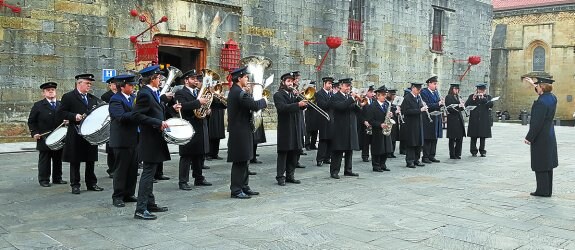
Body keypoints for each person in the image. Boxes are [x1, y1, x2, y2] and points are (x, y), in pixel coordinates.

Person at [132, 65, 181, 220]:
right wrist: (157, 122)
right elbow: (137, 115)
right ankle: (140, 209)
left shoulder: (153, 93)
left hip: (155, 138)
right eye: (159, 77)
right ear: (152, 78)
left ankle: (150, 203)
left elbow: (157, 110)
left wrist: (169, 107)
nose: (160, 80)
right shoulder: (144, 94)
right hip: (149, 139)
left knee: (151, 172)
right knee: (147, 174)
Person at [57, 74, 103, 194]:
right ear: (79, 83)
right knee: (75, 160)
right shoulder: (68, 97)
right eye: (87, 83)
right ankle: (75, 184)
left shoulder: (92, 98)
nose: (89, 86)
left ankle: (91, 183)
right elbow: (61, 112)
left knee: (90, 159)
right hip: (75, 132)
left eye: (90, 84)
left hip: (90, 133)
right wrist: (74, 116)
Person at [227, 66, 267, 199]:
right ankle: (236, 190)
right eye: (246, 77)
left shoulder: (238, 91)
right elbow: (254, 106)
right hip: (240, 131)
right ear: (239, 78)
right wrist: (264, 101)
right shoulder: (238, 92)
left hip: (243, 130)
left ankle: (244, 186)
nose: (247, 80)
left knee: (245, 160)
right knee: (240, 161)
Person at [174, 69, 212, 191]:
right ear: (186, 81)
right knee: (186, 155)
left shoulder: (198, 92)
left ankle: (199, 178)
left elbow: (204, 107)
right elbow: (182, 106)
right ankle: (183, 181)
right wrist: (198, 102)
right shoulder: (180, 93)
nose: (196, 81)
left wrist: (207, 111)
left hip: (200, 126)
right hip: (188, 126)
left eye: (197, 79)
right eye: (193, 79)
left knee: (199, 154)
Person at [27, 82, 67, 187]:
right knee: (45, 159)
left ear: (55, 92)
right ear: (43, 93)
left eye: (52, 90)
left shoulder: (60, 104)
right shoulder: (38, 105)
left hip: (58, 137)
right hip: (44, 137)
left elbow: (65, 116)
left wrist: (67, 121)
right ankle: (44, 180)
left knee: (58, 158)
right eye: (48, 90)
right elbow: (31, 121)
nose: (51, 92)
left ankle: (57, 178)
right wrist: (34, 132)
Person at [523, 77, 558, 197]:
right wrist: (534, 84)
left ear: (542, 87)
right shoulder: (552, 97)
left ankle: (542, 191)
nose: (535, 88)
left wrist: (529, 137)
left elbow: (537, 123)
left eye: (537, 86)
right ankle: (547, 189)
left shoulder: (541, 103)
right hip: (549, 134)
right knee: (547, 163)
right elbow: (542, 92)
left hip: (541, 136)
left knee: (541, 163)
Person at [108, 74, 139, 207]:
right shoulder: (115, 99)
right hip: (121, 140)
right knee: (121, 169)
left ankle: (129, 193)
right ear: (122, 87)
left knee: (133, 168)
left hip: (134, 139)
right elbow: (120, 117)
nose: (133, 87)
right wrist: (138, 114)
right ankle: (118, 196)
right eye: (130, 85)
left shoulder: (132, 97)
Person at [274, 72, 307, 186]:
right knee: (283, 153)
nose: (290, 83)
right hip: (285, 128)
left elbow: (302, 107)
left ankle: (290, 175)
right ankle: (280, 176)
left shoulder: (294, 94)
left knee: (294, 152)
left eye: (292, 81)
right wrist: (298, 104)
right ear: (283, 82)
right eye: (288, 81)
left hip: (296, 127)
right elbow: (282, 108)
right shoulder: (278, 95)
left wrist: (301, 99)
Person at [329, 78, 360, 179]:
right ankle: (334, 171)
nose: (348, 88)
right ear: (340, 86)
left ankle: (348, 170)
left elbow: (355, 110)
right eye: (346, 85)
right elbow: (341, 107)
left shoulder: (348, 97)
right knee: (338, 150)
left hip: (350, 127)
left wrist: (360, 104)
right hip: (340, 127)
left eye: (349, 86)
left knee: (349, 149)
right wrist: (351, 99)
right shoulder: (335, 97)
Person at [366, 85, 393, 172]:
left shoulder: (387, 104)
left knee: (385, 148)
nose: (384, 97)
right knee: (377, 148)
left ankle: (383, 164)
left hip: (386, 129)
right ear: (377, 95)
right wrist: (379, 124)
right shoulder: (372, 106)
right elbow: (370, 120)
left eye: (385, 95)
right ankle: (376, 165)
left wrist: (391, 116)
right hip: (377, 130)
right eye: (382, 95)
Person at [400, 83, 426, 168]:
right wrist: (419, 110)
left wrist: (424, 108)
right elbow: (406, 111)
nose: (419, 91)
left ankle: (416, 160)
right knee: (411, 143)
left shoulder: (419, 97)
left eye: (420, 90)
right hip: (411, 124)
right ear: (413, 88)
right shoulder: (407, 98)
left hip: (418, 123)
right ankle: (409, 161)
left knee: (418, 142)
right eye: (418, 89)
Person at [465, 83, 493, 157]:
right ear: (477, 90)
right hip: (474, 119)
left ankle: (482, 151)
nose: (481, 92)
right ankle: (473, 151)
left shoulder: (488, 97)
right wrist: (472, 99)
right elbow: (466, 105)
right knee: (473, 136)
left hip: (483, 119)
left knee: (483, 136)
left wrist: (484, 98)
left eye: (483, 90)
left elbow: (490, 105)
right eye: (480, 90)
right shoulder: (472, 96)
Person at [420, 76, 443, 163]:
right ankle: (425, 157)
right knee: (428, 138)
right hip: (428, 118)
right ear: (429, 83)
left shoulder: (436, 92)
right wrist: (438, 103)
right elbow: (427, 105)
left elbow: (437, 104)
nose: (436, 85)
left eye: (436, 84)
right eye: (434, 84)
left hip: (436, 117)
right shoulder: (424, 92)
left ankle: (432, 155)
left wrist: (441, 104)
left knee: (435, 137)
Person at [315, 77, 334, 167]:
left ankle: (327, 157)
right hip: (323, 119)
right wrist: (332, 98)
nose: (330, 86)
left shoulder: (331, 94)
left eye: (331, 84)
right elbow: (323, 105)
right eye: (328, 84)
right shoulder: (319, 94)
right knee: (323, 140)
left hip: (331, 119)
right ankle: (320, 159)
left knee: (330, 139)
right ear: (324, 84)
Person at [101, 76, 118, 178]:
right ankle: (111, 169)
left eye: (117, 84)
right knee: (111, 149)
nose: (115, 86)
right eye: (113, 84)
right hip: (110, 124)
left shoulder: (122, 94)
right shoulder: (106, 96)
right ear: (110, 85)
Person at [445, 83, 466, 159]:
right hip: (452, 119)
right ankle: (452, 154)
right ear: (451, 89)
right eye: (455, 89)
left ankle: (458, 153)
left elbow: (461, 109)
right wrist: (458, 105)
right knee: (452, 138)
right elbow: (449, 108)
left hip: (459, 118)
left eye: (457, 89)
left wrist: (463, 105)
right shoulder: (448, 97)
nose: (456, 90)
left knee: (460, 137)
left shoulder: (458, 97)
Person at [206, 85, 227, 161]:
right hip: (212, 115)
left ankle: (215, 153)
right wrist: (213, 94)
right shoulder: (209, 94)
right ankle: (208, 154)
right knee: (211, 135)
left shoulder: (219, 96)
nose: (217, 89)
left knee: (218, 135)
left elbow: (225, 105)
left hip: (219, 114)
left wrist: (221, 98)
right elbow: (208, 103)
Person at [359, 85, 375, 162]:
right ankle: (365, 155)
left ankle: (373, 155)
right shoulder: (363, 100)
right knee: (366, 141)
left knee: (373, 141)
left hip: (372, 123)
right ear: (367, 92)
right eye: (371, 92)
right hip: (366, 123)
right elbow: (360, 113)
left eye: (373, 92)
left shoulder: (374, 101)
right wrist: (364, 121)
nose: (373, 94)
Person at [304, 81, 319, 151]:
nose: (314, 88)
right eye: (313, 86)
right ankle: (307, 144)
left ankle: (313, 144)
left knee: (315, 130)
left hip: (316, 113)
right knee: (308, 130)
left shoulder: (316, 94)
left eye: (314, 87)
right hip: (309, 113)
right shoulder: (307, 93)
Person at [387, 89, 400, 158]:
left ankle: (392, 152)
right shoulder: (387, 102)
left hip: (394, 121)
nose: (394, 96)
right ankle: (388, 152)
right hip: (389, 121)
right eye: (392, 95)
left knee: (394, 137)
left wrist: (398, 112)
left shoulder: (395, 103)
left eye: (394, 95)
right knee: (390, 137)